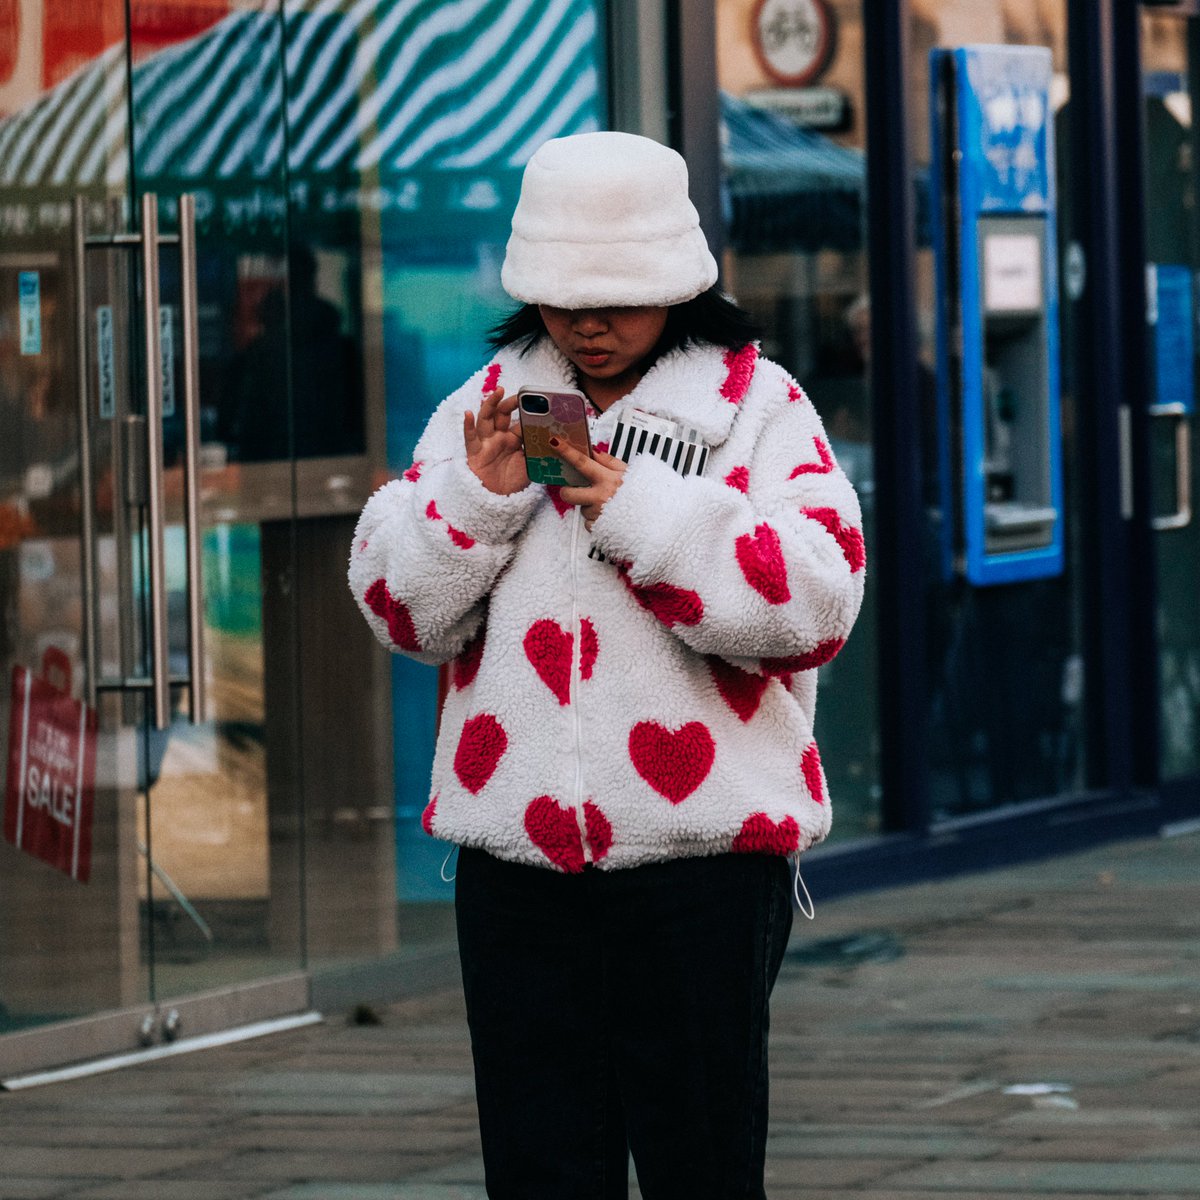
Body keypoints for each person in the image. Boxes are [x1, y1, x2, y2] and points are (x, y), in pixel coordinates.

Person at [349, 131, 865, 1199]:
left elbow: (816, 602)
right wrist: (476, 501)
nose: (587, 323)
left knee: (702, 1163)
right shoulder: (484, 410)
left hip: (705, 864)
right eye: (562, 294)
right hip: (517, 868)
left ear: (678, 283)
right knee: (538, 1169)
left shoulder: (757, 412)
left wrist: (634, 508)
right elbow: (401, 615)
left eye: (619, 295)